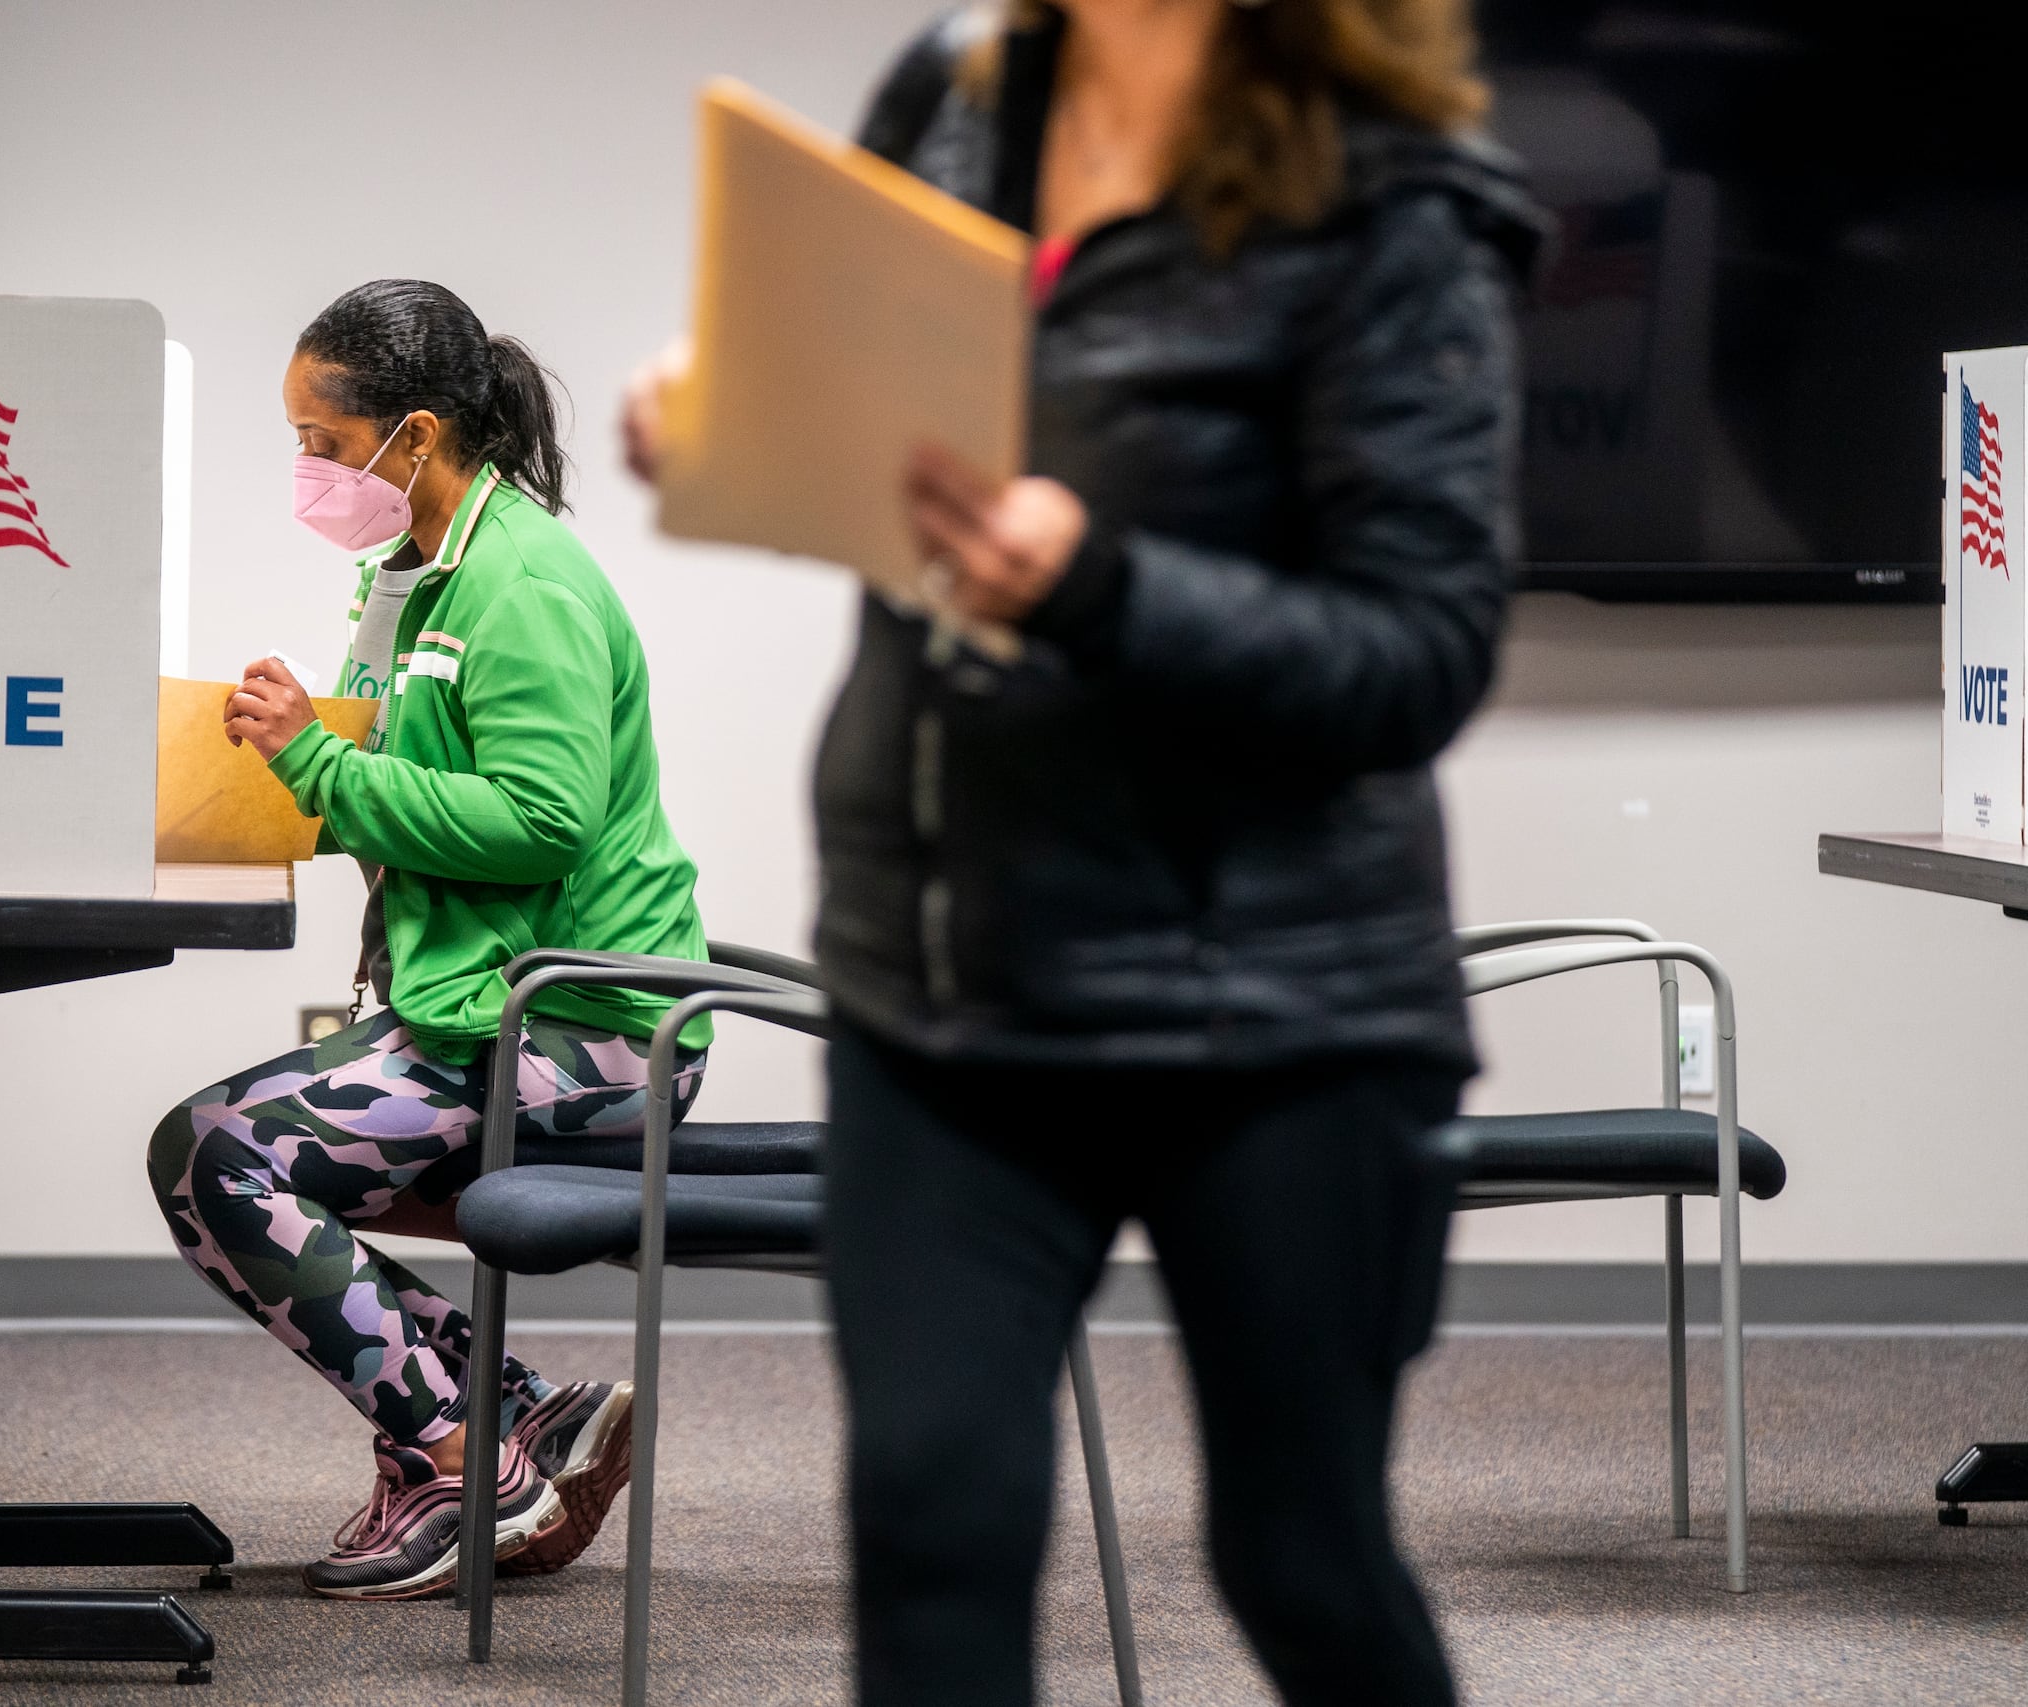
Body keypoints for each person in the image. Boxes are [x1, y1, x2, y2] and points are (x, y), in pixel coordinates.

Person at [625, 1, 1542, 1700]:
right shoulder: (957, 93)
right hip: (948, 987)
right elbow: (853, 409)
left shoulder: (1395, 197)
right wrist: (733, 425)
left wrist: (1101, 586)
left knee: (1301, 1555)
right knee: (930, 1525)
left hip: (1281, 1009)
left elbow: (1422, 651)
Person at [151, 279, 713, 1601]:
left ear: (415, 436)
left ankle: (468, 1462)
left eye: (327, 445)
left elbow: (538, 820)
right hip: (490, 1004)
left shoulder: (524, 584)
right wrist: (297, 745)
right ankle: (521, 1413)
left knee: (221, 1155)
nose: (310, 471)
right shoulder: (416, 577)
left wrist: (322, 768)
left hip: (594, 1027)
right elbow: (399, 774)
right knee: (234, 1154)